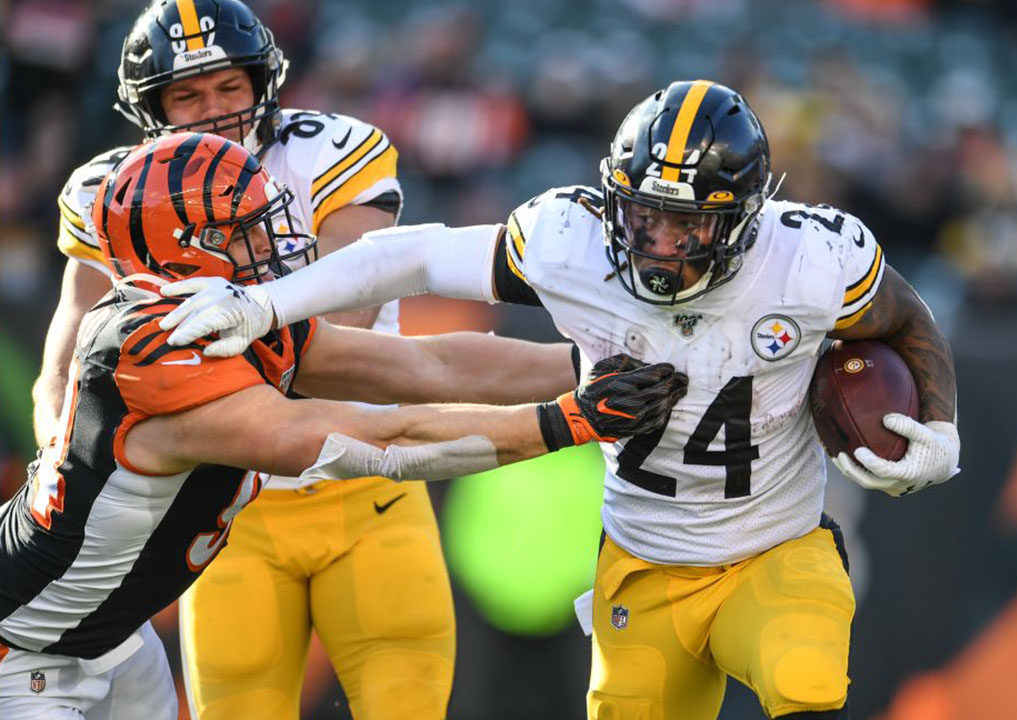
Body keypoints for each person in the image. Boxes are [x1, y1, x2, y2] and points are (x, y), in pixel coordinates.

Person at [161, 80, 961, 719]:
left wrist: (942, 426)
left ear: (744, 222)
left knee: (806, 683)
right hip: (642, 561)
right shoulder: (568, 243)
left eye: (686, 227)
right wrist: (272, 304)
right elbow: (408, 257)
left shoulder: (811, 258)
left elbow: (906, 317)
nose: (657, 245)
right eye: (643, 218)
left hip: (775, 548)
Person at [0, 132, 687, 720]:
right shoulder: (153, 355)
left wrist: (586, 362)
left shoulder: (215, 319)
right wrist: (569, 421)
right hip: (25, 648)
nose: (272, 243)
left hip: (113, 639)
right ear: (189, 246)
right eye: (246, 230)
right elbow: (373, 441)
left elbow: (424, 366)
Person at [30, 1, 471, 716]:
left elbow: (335, 332)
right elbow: (66, 352)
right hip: (224, 510)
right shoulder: (107, 191)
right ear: (152, 107)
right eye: (187, 94)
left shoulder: (329, 153)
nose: (212, 110)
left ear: (262, 83)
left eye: (228, 88)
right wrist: (63, 457)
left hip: (367, 484)